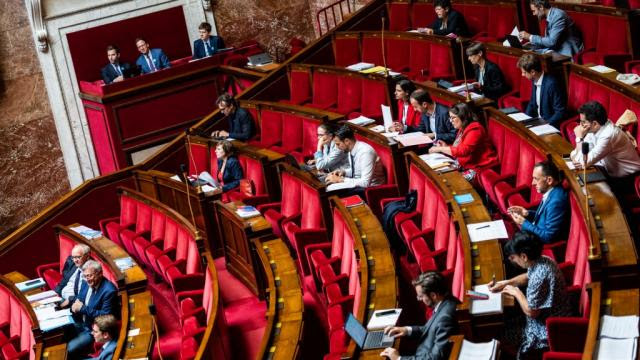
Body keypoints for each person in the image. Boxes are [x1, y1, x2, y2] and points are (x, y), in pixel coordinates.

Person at [489, 232, 571, 359]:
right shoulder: (543, 260)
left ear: (524, 256)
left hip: (548, 328)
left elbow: (532, 312)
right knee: (503, 323)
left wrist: (516, 292)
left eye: (514, 257)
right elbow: (528, 276)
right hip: (547, 316)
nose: (513, 260)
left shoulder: (539, 277)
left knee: (498, 334)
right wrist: (506, 283)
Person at [380, 272, 459, 360]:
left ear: (433, 295)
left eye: (421, 296)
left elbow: (435, 358)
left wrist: (399, 358)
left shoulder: (445, 318)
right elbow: (431, 329)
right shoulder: (447, 302)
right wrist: (407, 330)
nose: (419, 299)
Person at [428, 103, 498, 182]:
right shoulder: (463, 128)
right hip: (466, 164)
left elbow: (463, 151)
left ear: (463, 117)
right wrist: (446, 145)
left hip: (480, 167)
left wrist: (440, 149)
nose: (450, 121)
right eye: (450, 118)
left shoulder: (475, 129)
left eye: (453, 118)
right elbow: (460, 148)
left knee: (451, 182)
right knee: (437, 175)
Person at [508, 160, 569, 244]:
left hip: (536, 244)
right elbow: (545, 217)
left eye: (536, 179)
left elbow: (547, 237)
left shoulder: (556, 202)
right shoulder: (552, 191)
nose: (533, 183)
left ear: (549, 180)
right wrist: (526, 213)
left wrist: (523, 222)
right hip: (532, 234)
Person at [66, 260, 118, 358]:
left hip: (92, 330)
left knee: (68, 350)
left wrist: (82, 308)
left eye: (90, 276)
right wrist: (75, 304)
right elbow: (80, 297)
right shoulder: (86, 282)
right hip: (80, 322)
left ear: (100, 274)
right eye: (85, 276)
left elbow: (106, 316)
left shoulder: (109, 291)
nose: (87, 279)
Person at [324, 125, 386, 191]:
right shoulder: (351, 149)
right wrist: (343, 172)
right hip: (358, 184)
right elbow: (357, 172)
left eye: (338, 144)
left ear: (347, 141)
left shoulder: (365, 152)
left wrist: (340, 179)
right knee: (327, 185)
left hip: (371, 189)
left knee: (329, 189)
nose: (337, 147)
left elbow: (365, 183)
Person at [519, 0, 583, 57]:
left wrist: (530, 37)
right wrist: (533, 43)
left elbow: (551, 42)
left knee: (532, 57)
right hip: (556, 47)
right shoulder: (550, 15)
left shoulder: (558, 16)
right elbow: (549, 40)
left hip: (567, 50)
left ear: (541, 7)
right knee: (528, 52)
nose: (533, 14)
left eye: (534, 11)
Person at [517, 54, 566, 127]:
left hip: (550, 124)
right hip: (539, 122)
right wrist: (525, 120)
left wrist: (546, 125)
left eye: (524, 72)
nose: (522, 75)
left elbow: (560, 112)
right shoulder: (534, 79)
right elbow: (532, 103)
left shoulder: (551, 84)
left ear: (533, 72)